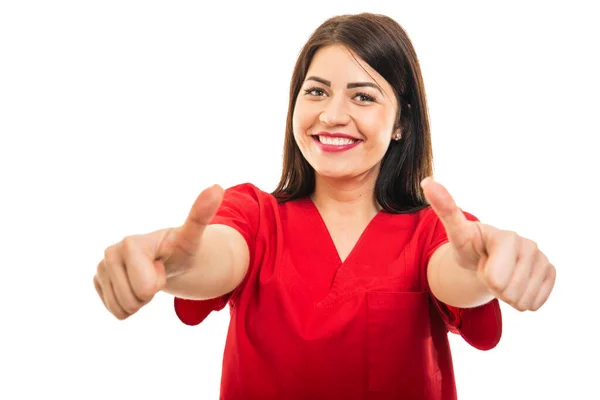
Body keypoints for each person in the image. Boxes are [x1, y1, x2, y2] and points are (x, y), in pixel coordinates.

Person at [93, 12, 556, 400]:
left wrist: (486, 271)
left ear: (401, 123)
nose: (332, 115)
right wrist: (176, 265)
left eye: (363, 96)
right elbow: (219, 254)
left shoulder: (435, 232)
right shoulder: (255, 216)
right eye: (315, 91)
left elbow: (457, 272)